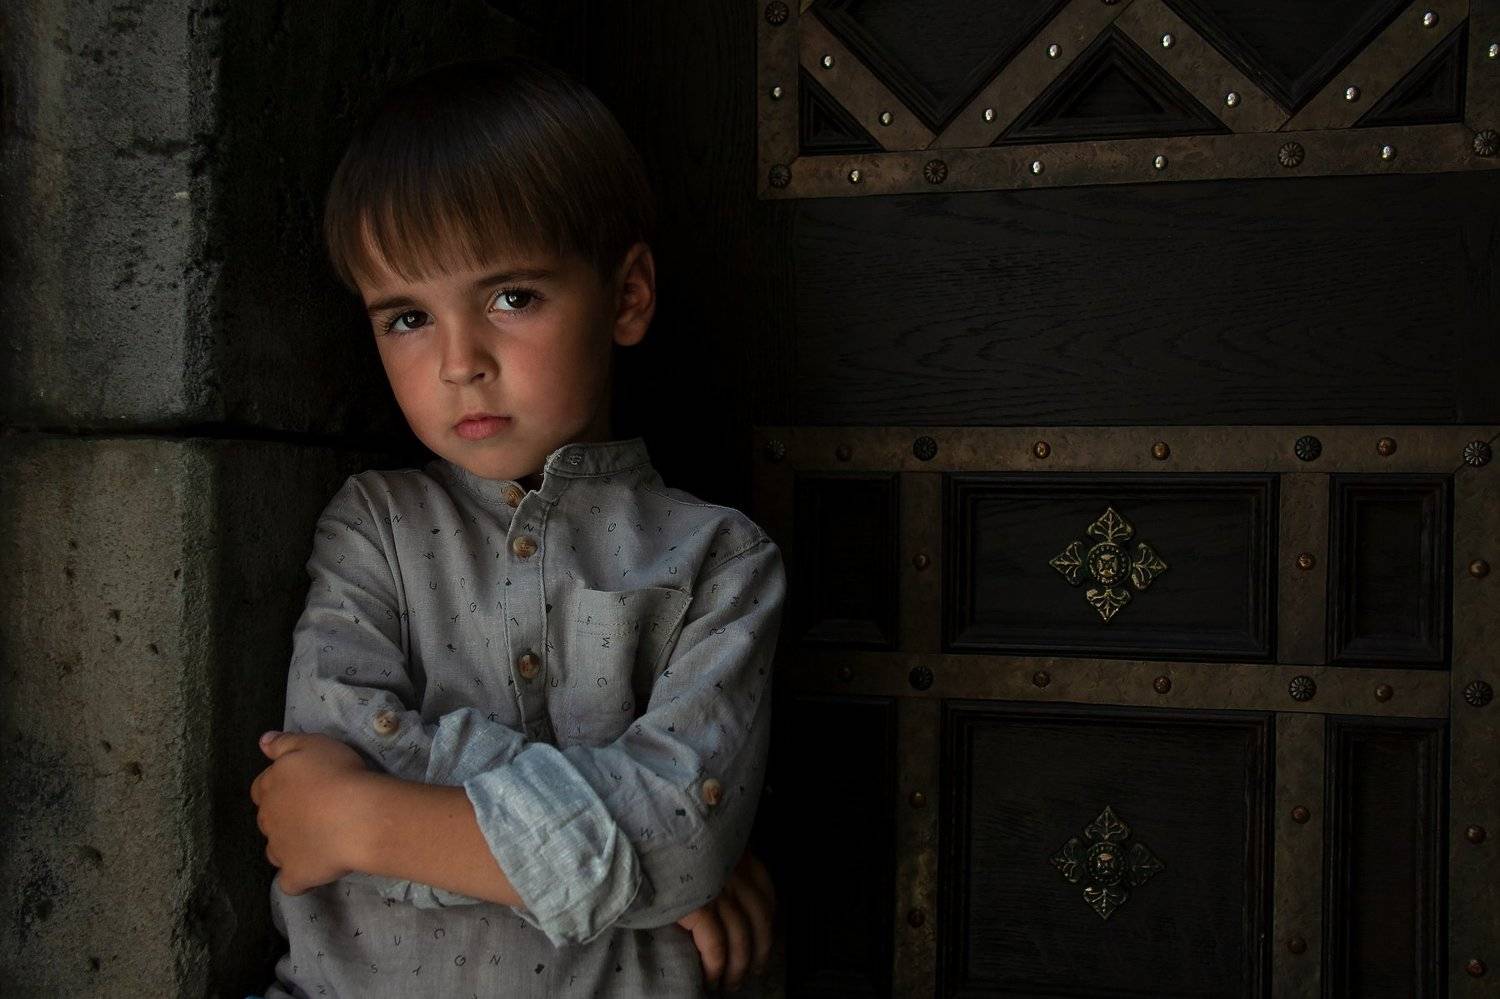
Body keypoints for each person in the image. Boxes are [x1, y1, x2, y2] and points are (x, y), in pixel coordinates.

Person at [247, 55, 785, 998]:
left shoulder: (718, 562)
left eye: (512, 297)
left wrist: (368, 820)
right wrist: (637, 858)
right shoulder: (373, 527)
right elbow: (316, 779)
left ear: (626, 296)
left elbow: (339, 811)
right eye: (407, 317)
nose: (459, 362)